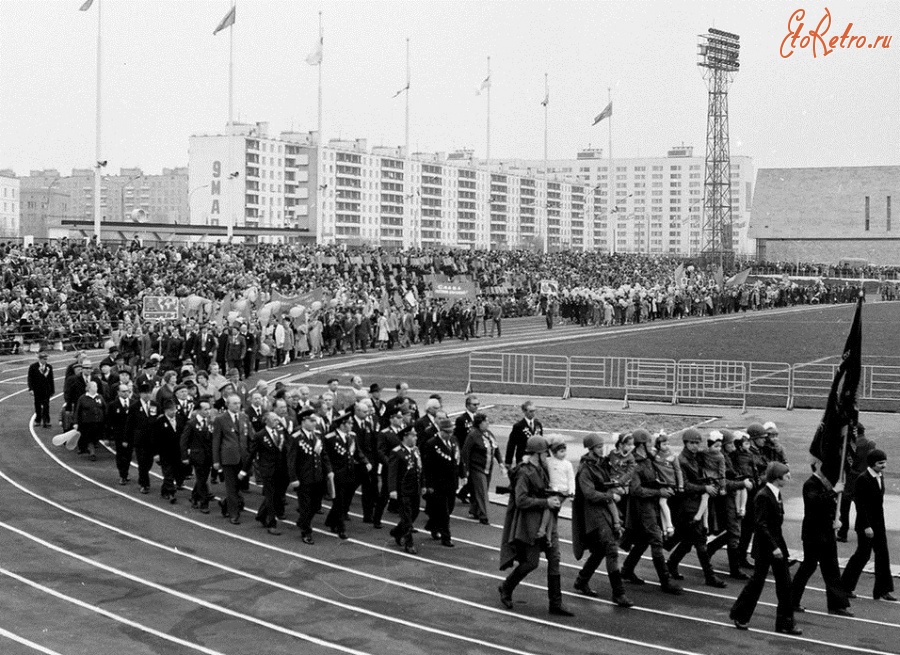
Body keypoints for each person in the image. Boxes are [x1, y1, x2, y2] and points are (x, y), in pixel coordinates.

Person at [498, 435, 574, 617]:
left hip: (547, 522)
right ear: (537, 454)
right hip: (531, 523)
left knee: (554, 558)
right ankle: (506, 587)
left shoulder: (542, 469)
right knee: (531, 563)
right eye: (544, 453)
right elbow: (521, 500)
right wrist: (545, 502)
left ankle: (556, 603)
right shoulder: (525, 472)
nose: (547, 456)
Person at [729, 462, 801, 635]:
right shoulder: (764, 496)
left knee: (784, 583)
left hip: (775, 544)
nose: (789, 477)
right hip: (766, 546)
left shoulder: (775, 494)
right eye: (786, 475)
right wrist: (774, 547)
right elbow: (761, 524)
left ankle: (785, 622)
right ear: (777, 478)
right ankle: (740, 615)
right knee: (757, 582)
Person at [571, 433, 633, 607]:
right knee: (611, 549)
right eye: (598, 447)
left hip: (604, 509)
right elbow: (589, 493)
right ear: (590, 449)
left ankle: (582, 580)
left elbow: (607, 481)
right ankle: (618, 593)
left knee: (599, 550)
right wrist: (610, 495)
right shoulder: (586, 469)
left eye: (602, 446)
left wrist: (616, 487)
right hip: (593, 512)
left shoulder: (602, 464)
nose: (601, 449)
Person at [620, 431, 682, 595]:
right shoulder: (634, 463)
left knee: (642, 540)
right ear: (642, 445)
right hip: (642, 506)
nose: (651, 445)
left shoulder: (648, 459)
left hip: (650, 504)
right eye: (648, 443)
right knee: (656, 539)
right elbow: (636, 490)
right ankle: (665, 581)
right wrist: (658, 492)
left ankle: (626, 570)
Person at [666, 428, 727, 588]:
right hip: (687, 505)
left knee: (687, 541)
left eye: (696, 443)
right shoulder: (682, 460)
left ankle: (671, 564)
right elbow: (684, 485)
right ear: (685, 443)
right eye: (691, 443)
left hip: (697, 502)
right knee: (700, 540)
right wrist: (704, 488)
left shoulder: (696, 457)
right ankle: (710, 575)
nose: (694, 446)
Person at [790, 459, 853, 616]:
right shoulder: (810, 484)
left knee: (831, 568)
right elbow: (815, 502)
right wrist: (834, 491)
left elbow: (830, 504)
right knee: (808, 566)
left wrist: (836, 518)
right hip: (814, 533)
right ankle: (791, 600)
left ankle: (837, 604)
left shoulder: (825, 485)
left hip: (826, 532)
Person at [841, 448, 896, 601]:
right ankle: (845, 587)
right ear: (872, 463)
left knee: (883, 555)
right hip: (866, 525)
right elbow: (860, 505)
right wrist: (866, 526)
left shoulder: (880, 476)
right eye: (880, 463)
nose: (883, 466)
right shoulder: (863, 479)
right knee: (862, 555)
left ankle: (882, 590)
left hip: (879, 523)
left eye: (884, 462)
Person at [288, 408, 333, 545]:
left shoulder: (318, 436)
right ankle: (306, 531)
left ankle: (303, 521)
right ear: (303, 421)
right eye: (311, 420)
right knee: (306, 506)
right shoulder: (296, 438)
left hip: (317, 477)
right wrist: (293, 478)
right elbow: (291, 460)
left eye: (315, 420)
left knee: (315, 505)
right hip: (304, 478)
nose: (314, 423)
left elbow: (323, 455)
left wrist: (329, 470)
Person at [323, 411, 370, 539]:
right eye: (349, 423)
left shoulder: (352, 436)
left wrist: (365, 461)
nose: (351, 425)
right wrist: (329, 472)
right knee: (339, 501)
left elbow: (357, 452)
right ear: (342, 425)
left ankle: (330, 520)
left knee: (345, 499)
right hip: (337, 473)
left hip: (350, 472)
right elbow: (326, 456)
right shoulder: (330, 438)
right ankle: (340, 527)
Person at [422, 414, 464, 547]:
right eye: (447, 432)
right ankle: (446, 537)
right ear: (440, 431)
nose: (450, 434)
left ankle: (432, 525)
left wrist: (463, 474)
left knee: (450, 507)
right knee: (444, 511)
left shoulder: (454, 441)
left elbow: (458, 458)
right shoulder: (432, 444)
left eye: (451, 431)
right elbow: (427, 466)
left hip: (452, 481)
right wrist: (428, 484)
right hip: (438, 483)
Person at [212, 393, 253, 525]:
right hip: (228, 458)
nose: (237, 405)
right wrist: (216, 461)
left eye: (238, 403)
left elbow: (250, 436)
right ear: (227, 404)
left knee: (238, 486)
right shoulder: (220, 419)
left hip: (243, 457)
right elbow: (216, 441)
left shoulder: (244, 417)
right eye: (234, 403)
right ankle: (234, 514)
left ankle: (225, 504)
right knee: (231, 486)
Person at [250, 411, 290, 535]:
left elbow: (288, 445)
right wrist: (244, 470)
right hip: (267, 470)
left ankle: (261, 515)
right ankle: (271, 523)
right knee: (270, 496)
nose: (276, 422)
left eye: (277, 420)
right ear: (266, 421)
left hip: (281, 469)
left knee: (277, 495)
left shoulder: (281, 432)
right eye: (274, 420)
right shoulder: (260, 435)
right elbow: (252, 454)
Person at [462, 413, 505, 525]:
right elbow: (465, 452)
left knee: (482, 490)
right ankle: (484, 515)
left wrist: (500, 462)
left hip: (488, 467)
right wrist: (465, 469)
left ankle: (474, 510)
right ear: (479, 423)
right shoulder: (473, 435)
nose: (488, 423)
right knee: (482, 491)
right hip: (477, 467)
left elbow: (496, 448)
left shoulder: (489, 434)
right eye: (485, 421)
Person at [837, 423, 875, 542]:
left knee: (845, 506)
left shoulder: (849, 445)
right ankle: (862, 530)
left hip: (851, 478)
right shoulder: (871, 444)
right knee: (862, 507)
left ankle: (843, 532)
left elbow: (842, 462)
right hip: (865, 478)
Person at [389, 425, 422, 554]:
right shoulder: (397, 452)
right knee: (407, 517)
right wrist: (392, 489)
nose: (415, 438)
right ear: (405, 436)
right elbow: (392, 473)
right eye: (413, 435)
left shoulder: (415, 450)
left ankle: (397, 532)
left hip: (415, 488)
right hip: (403, 490)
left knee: (414, 513)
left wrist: (423, 485)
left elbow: (420, 469)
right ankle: (409, 543)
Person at [180, 396, 214, 513]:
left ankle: (194, 496)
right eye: (205, 409)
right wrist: (184, 456)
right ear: (199, 410)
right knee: (201, 478)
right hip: (197, 455)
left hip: (208, 456)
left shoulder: (211, 423)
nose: (208, 411)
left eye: (209, 409)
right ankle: (204, 503)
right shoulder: (191, 424)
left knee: (203, 478)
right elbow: (184, 441)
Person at [537, 439, 574, 538]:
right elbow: (542, 464)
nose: (564, 454)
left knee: (550, 507)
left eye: (564, 451)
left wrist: (571, 493)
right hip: (552, 489)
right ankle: (549, 534)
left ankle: (543, 530)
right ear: (553, 453)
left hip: (563, 491)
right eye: (561, 451)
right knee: (553, 511)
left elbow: (571, 479)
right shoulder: (549, 462)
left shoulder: (567, 464)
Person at [153, 398, 182, 503]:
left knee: (175, 472)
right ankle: (171, 493)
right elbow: (155, 439)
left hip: (177, 452)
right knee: (168, 473)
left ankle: (164, 490)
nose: (173, 412)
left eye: (174, 409)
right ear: (165, 410)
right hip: (165, 452)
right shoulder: (160, 422)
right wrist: (156, 453)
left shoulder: (179, 419)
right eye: (171, 410)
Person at [107, 382, 134, 485]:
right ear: (118, 392)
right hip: (119, 435)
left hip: (130, 435)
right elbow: (109, 421)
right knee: (121, 455)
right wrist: (108, 436)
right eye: (123, 391)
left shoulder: (133, 403)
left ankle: (125, 473)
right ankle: (122, 475)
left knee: (128, 455)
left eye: (127, 391)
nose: (126, 393)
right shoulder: (113, 405)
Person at [73, 380, 106, 460]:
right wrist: (76, 422)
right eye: (94, 386)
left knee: (95, 438)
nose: (96, 388)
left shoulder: (100, 397)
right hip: (87, 422)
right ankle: (92, 453)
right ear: (89, 388)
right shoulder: (83, 398)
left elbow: (104, 408)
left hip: (98, 422)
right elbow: (78, 411)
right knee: (89, 438)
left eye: (96, 386)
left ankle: (89, 448)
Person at [504, 400, 543, 468]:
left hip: (536, 460)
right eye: (530, 411)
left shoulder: (538, 425)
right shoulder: (518, 426)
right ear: (524, 411)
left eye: (534, 411)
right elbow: (511, 445)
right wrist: (508, 462)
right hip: (523, 460)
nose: (533, 413)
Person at [27, 352, 54, 429]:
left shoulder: (49, 367)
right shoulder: (33, 367)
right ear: (40, 359)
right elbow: (30, 379)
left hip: (46, 389)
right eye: (44, 359)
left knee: (46, 405)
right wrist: (31, 389)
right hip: (37, 389)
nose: (45, 360)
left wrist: (52, 390)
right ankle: (38, 419)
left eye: (46, 359)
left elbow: (51, 379)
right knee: (37, 405)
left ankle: (47, 421)